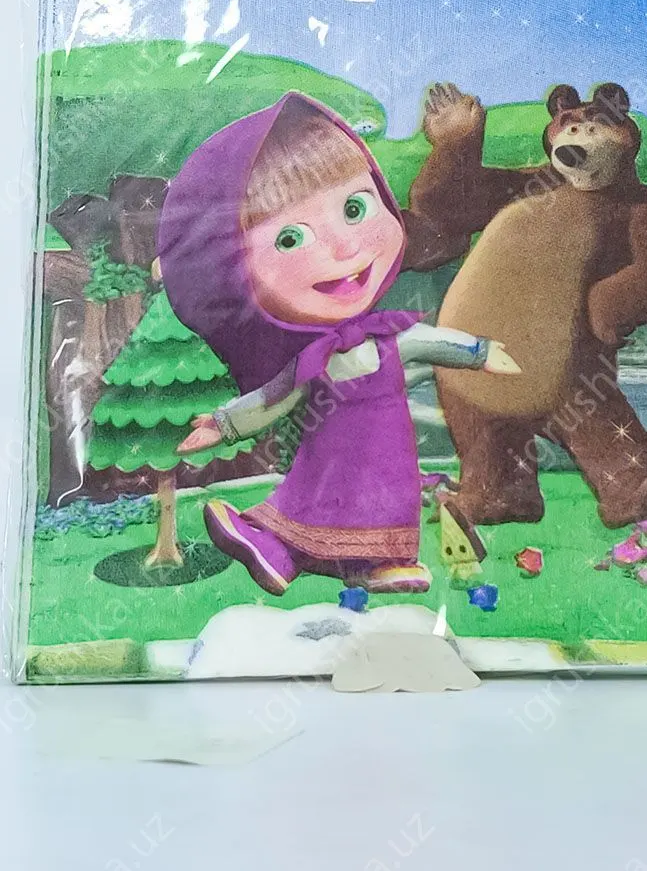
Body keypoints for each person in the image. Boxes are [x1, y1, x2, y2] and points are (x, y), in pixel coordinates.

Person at [157, 92, 518, 596]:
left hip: (389, 460)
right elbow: (274, 398)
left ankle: (387, 562)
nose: (346, 248)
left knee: (388, 501)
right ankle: (275, 549)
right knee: (312, 504)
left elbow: (431, 342)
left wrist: (480, 353)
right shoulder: (311, 359)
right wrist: (224, 424)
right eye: (289, 239)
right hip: (327, 460)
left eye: (355, 208)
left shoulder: (389, 338)